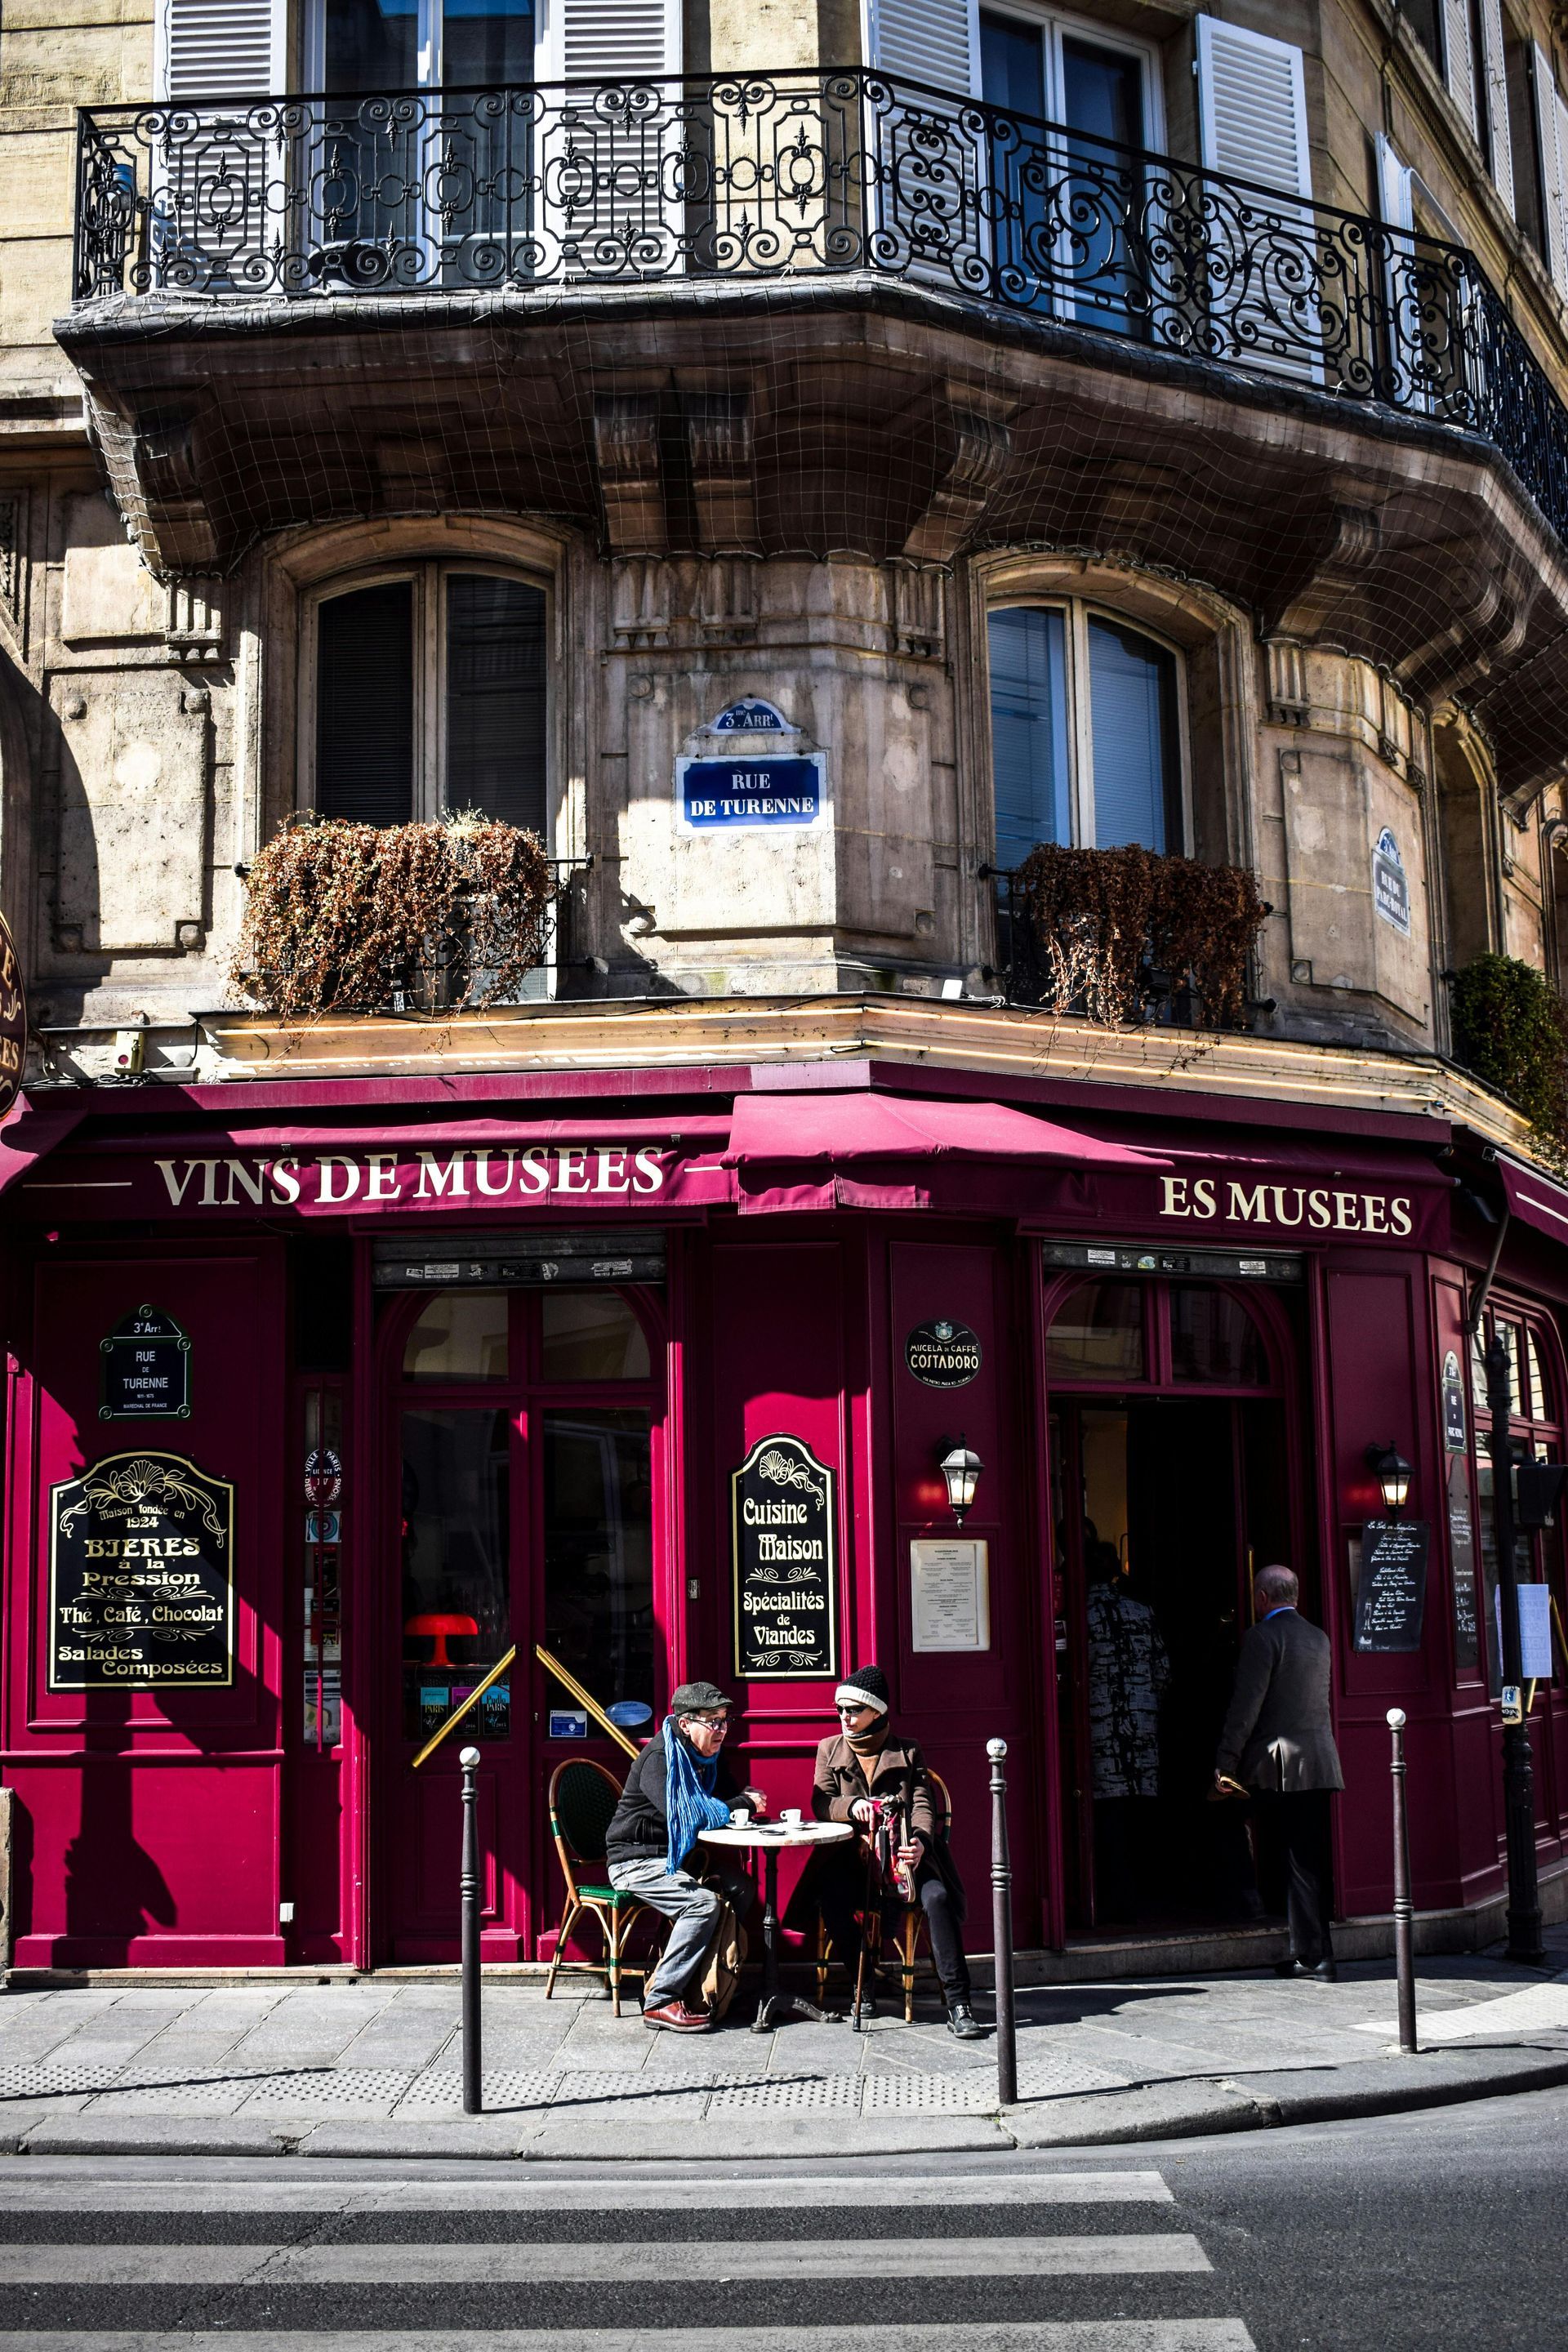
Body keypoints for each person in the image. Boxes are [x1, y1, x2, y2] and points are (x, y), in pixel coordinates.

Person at [804, 1663, 985, 2039]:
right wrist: (850, 1807)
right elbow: (821, 1803)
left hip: (903, 1857)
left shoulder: (908, 1751)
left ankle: (958, 2002)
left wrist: (920, 1842)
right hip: (854, 1856)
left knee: (937, 1897)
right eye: (841, 1710)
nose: (845, 1718)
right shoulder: (828, 1749)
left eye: (854, 1710)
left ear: (877, 1711)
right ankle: (864, 1980)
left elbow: (922, 1802)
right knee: (831, 1897)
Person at [605, 1680, 766, 2033]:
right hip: (635, 1861)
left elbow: (723, 1797)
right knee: (703, 1905)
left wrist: (742, 1800)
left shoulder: (705, 1757)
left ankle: (705, 1982)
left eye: (725, 1720)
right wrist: (742, 1804)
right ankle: (661, 1998)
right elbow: (688, 1814)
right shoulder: (660, 1759)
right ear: (685, 1724)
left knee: (741, 1888)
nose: (721, 1729)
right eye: (713, 1720)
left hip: (675, 1859)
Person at [1214, 1563, 1345, 1981]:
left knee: (1232, 1821)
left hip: (1279, 1767)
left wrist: (1224, 1763)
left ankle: (1303, 1947)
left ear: (1262, 1599)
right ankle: (1312, 1951)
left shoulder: (1261, 1637)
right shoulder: (1318, 1637)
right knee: (1306, 1859)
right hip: (1319, 1763)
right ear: (1296, 1596)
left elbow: (1244, 1709)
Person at [1084, 1540, 1169, 1923]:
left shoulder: (1081, 1613)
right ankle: (1147, 1894)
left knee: (1109, 1817)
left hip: (1100, 1727)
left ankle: (1115, 1900)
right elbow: (1163, 1673)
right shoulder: (1142, 1611)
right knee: (1140, 1812)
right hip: (1143, 1725)